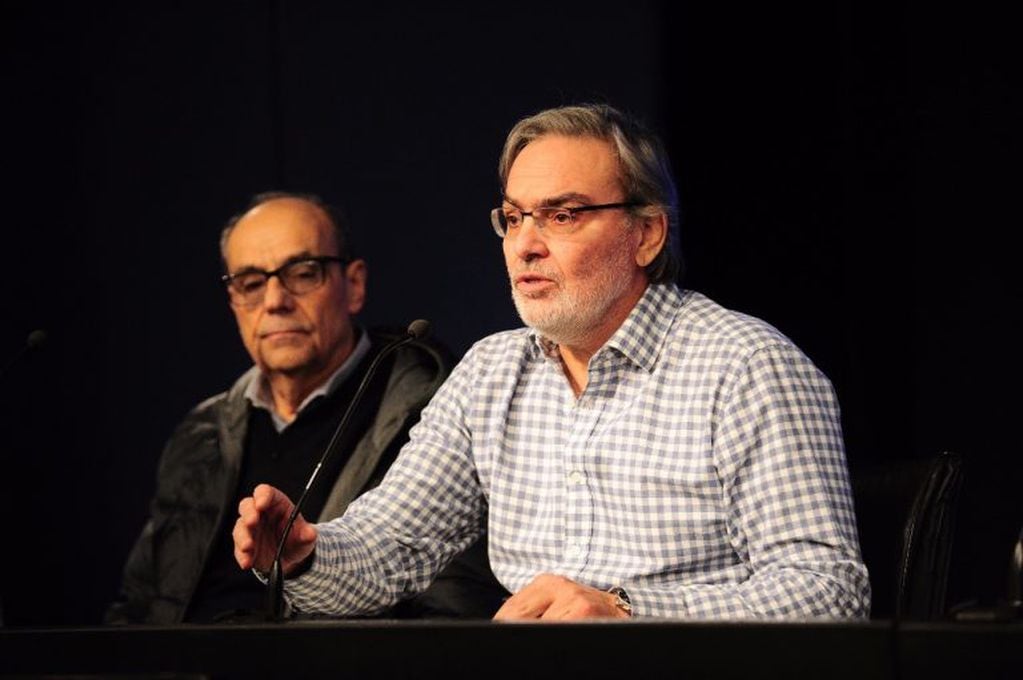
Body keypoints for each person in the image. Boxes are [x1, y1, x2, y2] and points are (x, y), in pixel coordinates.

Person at [233, 106, 871, 620]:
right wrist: (305, 553)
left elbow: (827, 592)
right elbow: (391, 549)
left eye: (561, 215)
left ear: (646, 234)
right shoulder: (490, 372)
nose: (527, 245)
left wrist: (627, 612)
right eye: (513, 218)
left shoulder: (748, 366)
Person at [107, 192, 506, 624]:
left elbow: (450, 613)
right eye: (251, 283)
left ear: (353, 285)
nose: (275, 301)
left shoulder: (429, 414)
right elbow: (139, 606)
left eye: (302, 273)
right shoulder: (201, 431)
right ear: (233, 302)